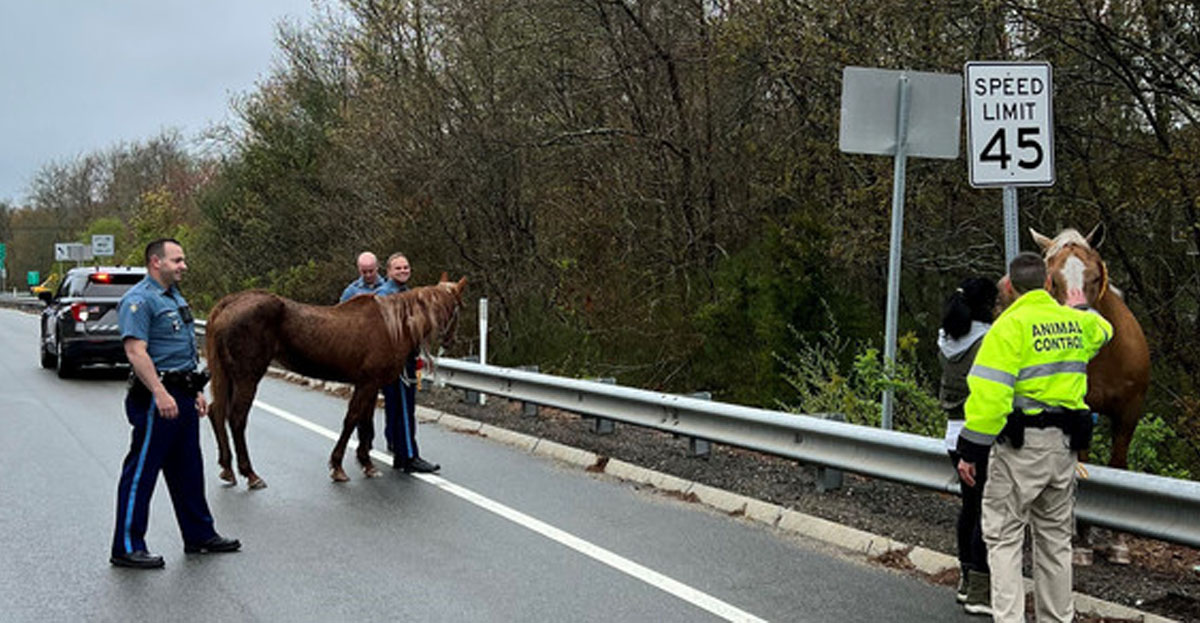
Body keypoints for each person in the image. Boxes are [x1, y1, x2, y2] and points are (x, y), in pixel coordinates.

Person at [956, 252, 1111, 623]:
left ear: (1008, 287)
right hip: (1064, 450)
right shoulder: (1074, 323)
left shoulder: (1007, 329)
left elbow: (990, 398)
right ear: (1047, 283)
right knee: (1055, 542)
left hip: (1020, 450)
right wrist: (1078, 302)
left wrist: (970, 451)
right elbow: (1106, 331)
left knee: (1004, 538)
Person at [110, 238, 240, 569]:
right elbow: (136, 352)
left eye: (183, 259)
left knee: (188, 469)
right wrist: (158, 391)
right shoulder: (139, 300)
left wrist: (194, 390)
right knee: (141, 472)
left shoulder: (173, 297)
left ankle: (199, 535)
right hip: (158, 398)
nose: (183, 265)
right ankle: (126, 546)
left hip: (181, 392)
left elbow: (180, 349)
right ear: (156, 262)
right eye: (177, 260)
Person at [938, 277, 998, 616]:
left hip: (953, 435)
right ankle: (979, 588)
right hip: (978, 434)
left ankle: (965, 580)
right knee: (985, 512)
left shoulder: (947, 338)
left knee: (969, 508)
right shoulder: (987, 340)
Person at [377, 252, 439, 473]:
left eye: (406, 267)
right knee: (404, 406)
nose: (403, 271)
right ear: (389, 272)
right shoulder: (386, 295)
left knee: (396, 407)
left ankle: (398, 450)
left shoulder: (408, 293)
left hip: (405, 359)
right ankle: (409, 457)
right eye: (398, 268)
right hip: (398, 361)